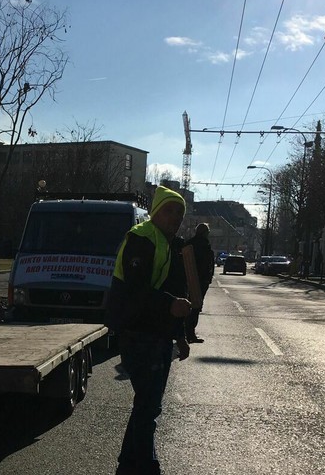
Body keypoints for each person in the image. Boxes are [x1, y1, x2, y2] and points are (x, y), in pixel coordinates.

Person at [107, 185, 192, 475]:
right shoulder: (142, 238)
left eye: (180, 213)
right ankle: (145, 466)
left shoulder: (168, 243)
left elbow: (175, 290)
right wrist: (170, 305)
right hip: (137, 331)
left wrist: (180, 335)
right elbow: (136, 288)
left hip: (155, 332)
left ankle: (128, 464)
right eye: (169, 211)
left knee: (147, 405)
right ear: (155, 212)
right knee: (148, 405)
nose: (175, 217)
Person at [185, 222, 215, 343]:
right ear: (205, 233)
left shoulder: (189, 243)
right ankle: (190, 333)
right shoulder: (205, 245)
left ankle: (184, 332)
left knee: (188, 304)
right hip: (200, 280)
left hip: (188, 279)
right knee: (196, 306)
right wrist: (208, 278)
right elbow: (208, 264)